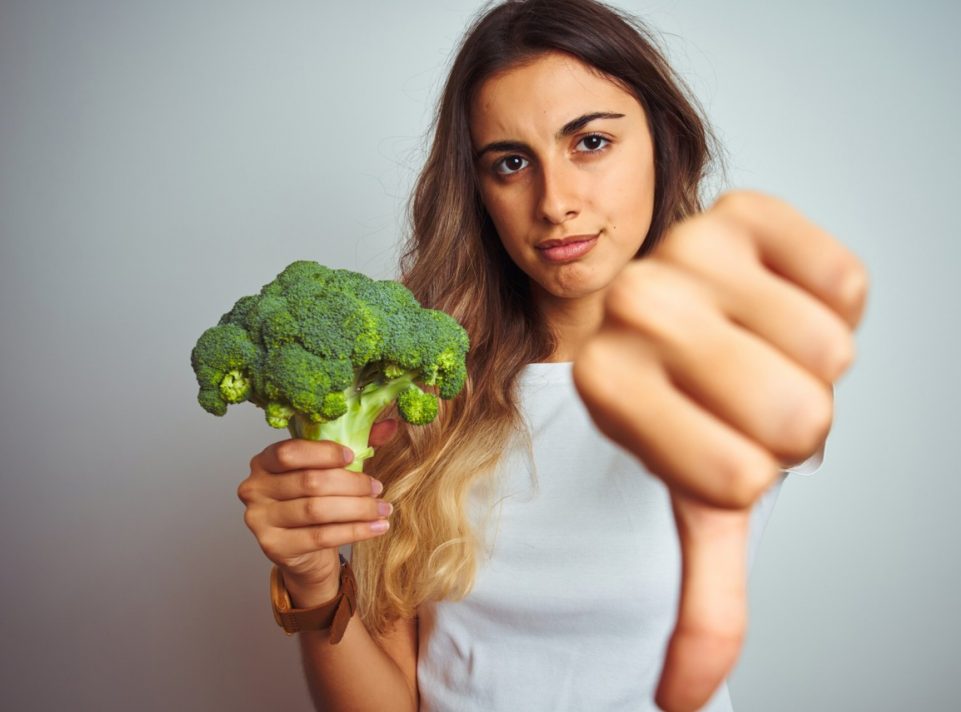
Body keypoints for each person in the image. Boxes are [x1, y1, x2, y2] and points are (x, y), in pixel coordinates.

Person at [236, 1, 867, 710]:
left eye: (590, 142)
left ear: (663, 141)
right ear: (478, 192)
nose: (556, 201)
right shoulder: (414, 391)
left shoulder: (732, 357)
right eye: (511, 163)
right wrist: (315, 581)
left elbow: (793, 411)